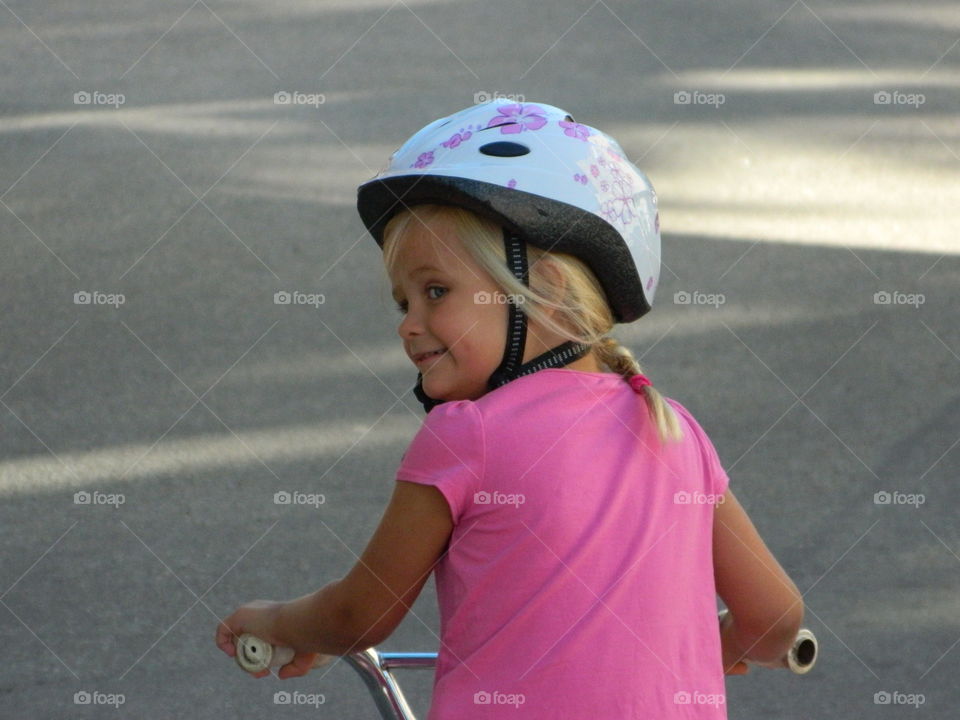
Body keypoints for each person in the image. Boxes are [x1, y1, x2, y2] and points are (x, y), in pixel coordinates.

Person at [216, 100, 805, 718]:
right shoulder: (674, 429)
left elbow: (359, 614)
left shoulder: (467, 435)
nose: (409, 325)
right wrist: (719, 646)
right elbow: (774, 620)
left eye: (434, 292)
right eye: (403, 303)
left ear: (545, 289)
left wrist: (281, 621)